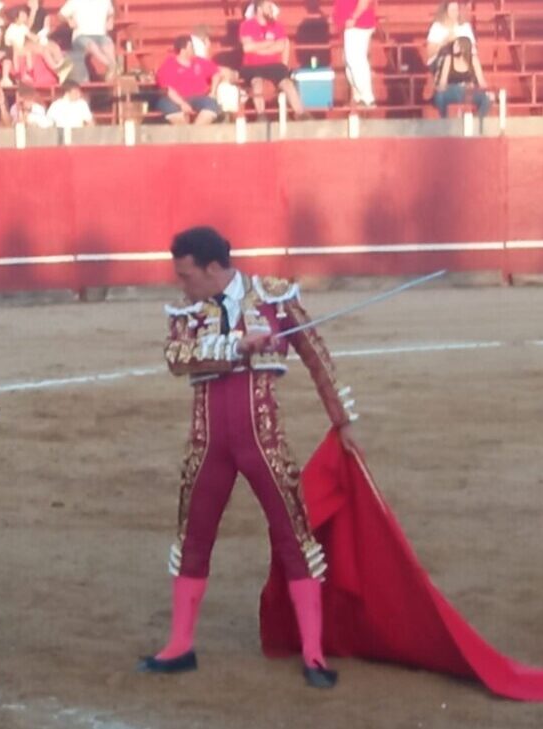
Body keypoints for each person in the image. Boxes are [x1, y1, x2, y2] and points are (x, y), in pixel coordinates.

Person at [141, 226, 361, 689]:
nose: (182, 284)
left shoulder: (274, 297)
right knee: (192, 538)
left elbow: (316, 355)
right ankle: (179, 645)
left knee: (293, 538)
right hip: (207, 445)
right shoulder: (186, 311)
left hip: (263, 441)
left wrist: (341, 421)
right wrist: (237, 345)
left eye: (186, 275)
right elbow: (176, 357)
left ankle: (314, 653)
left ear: (213, 268)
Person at [239, 0, 305, 117]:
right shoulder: (247, 25)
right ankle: (261, 115)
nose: (271, 10)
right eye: (268, 7)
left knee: (287, 84)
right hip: (252, 65)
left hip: (274, 65)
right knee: (257, 83)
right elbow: (247, 48)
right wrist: (269, 43)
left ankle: (300, 114)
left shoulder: (277, 25)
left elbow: (281, 46)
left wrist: (257, 48)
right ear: (259, 9)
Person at [155, 35, 223, 125]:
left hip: (198, 97)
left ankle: (195, 131)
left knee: (211, 105)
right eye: (191, 47)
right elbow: (168, 89)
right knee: (171, 109)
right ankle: (185, 132)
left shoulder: (199, 62)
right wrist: (182, 103)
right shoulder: (168, 65)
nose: (193, 50)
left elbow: (216, 73)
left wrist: (213, 92)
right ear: (183, 50)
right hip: (175, 99)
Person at [5, 4, 69, 83]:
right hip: (18, 49)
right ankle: (56, 69)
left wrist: (40, 37)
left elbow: (32, 36)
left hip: (24, 46)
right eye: (23, 15)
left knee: (50, 47)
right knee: (43, 50)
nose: (25, 17)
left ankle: (61, 66)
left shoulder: (22, 27)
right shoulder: (11, 29)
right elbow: (13, 46)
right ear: (16, 18)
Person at [333, 0, 377, 107]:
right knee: (349, 61)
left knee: (356, 60)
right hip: (351, 26)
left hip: (358, 25)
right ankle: (358, 97)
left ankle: (367, 98)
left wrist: (354, 17)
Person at [59, 0, 116, 81]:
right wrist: (69, 20)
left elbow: (111, 13)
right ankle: (109, 64)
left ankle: (113, 68)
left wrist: (110, 20)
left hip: (100, 35)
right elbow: (61, 15)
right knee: (91, 44)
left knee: (108, 43)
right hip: (81, 36)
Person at [433, 36, 489, 118]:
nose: (453, 47)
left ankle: (476, 120)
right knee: (439, 97)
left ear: (463, 47)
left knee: (486, 99)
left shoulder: (473, 59)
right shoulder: (449, 59)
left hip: (468, 90)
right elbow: (443, 81)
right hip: (452, 90)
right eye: (454, 44)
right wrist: (440, 88)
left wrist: (487, 91)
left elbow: (481, 81)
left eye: (457, 45)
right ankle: (444, 121)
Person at [425, 0, 476, 71]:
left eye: (456, 10)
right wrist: (444, 42)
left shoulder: (465, 26)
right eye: (452, 10)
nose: (454, 13)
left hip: (461, 60)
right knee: (448, 61)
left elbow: (472, 49)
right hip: (440, 60)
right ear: (445, 12)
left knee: (473, 62)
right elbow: (430, 53)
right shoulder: (437, 27)